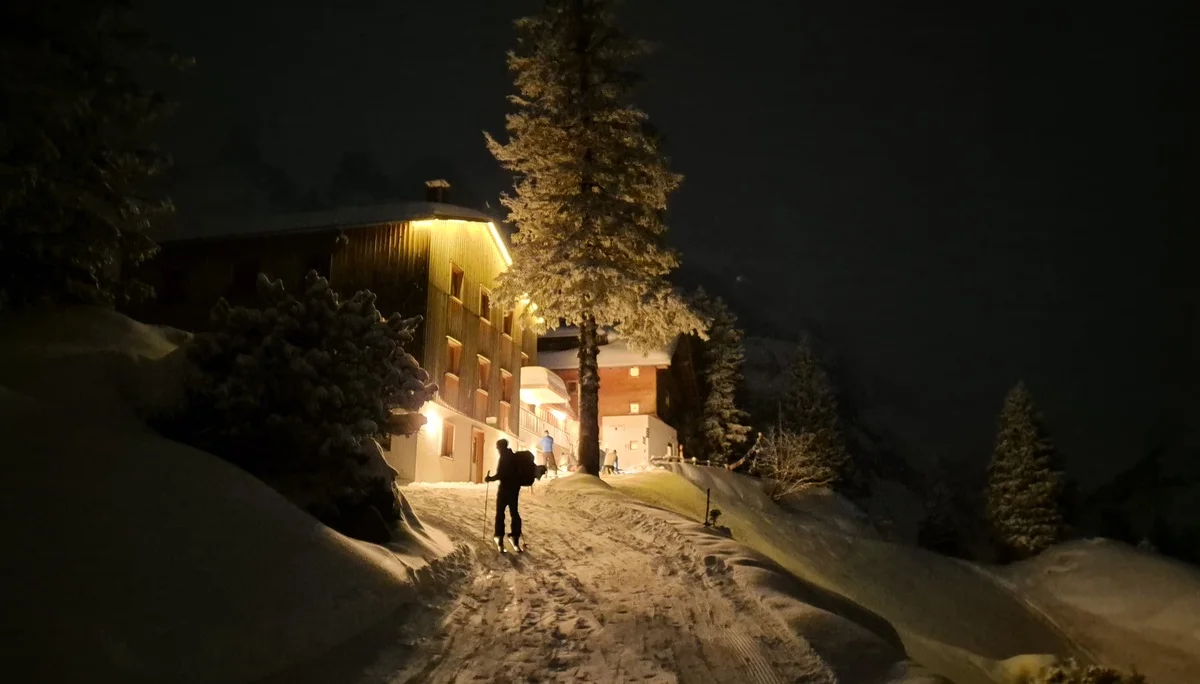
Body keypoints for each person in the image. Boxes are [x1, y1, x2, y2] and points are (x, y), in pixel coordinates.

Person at [486, 439, 523, 552]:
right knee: (514, 513)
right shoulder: (514, 457)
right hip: (514, 490)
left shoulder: (504, 458)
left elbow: (501, 474)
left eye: (498, 448)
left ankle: (499, 536)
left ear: (501, 447)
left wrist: (490, 478)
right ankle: (515, 537)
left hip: (505, 490)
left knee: (500, 513)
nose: (497, 450)